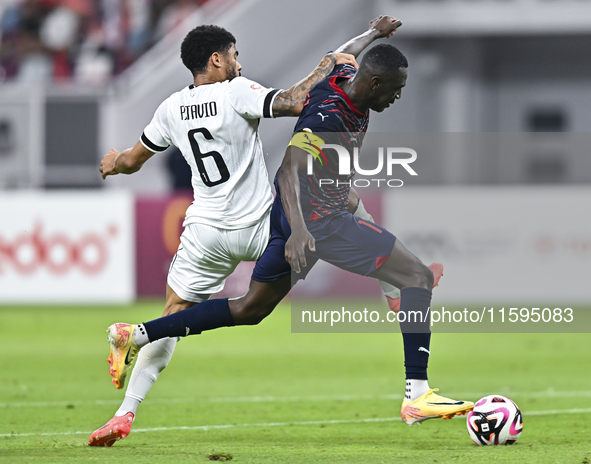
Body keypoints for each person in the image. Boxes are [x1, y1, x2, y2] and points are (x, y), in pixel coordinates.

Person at [104, 41, 474, 430]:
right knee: (416, 276)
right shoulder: (314, 114)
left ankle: (137, 334)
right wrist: (300, 231)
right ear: (375, 82)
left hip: (251, 222)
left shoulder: (342, 79)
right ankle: (417, 391)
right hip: (314, 223)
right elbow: (289, 157)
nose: (398, 97)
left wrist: (366, 37)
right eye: (395, 89)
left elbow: (338, 61)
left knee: (250, 309)